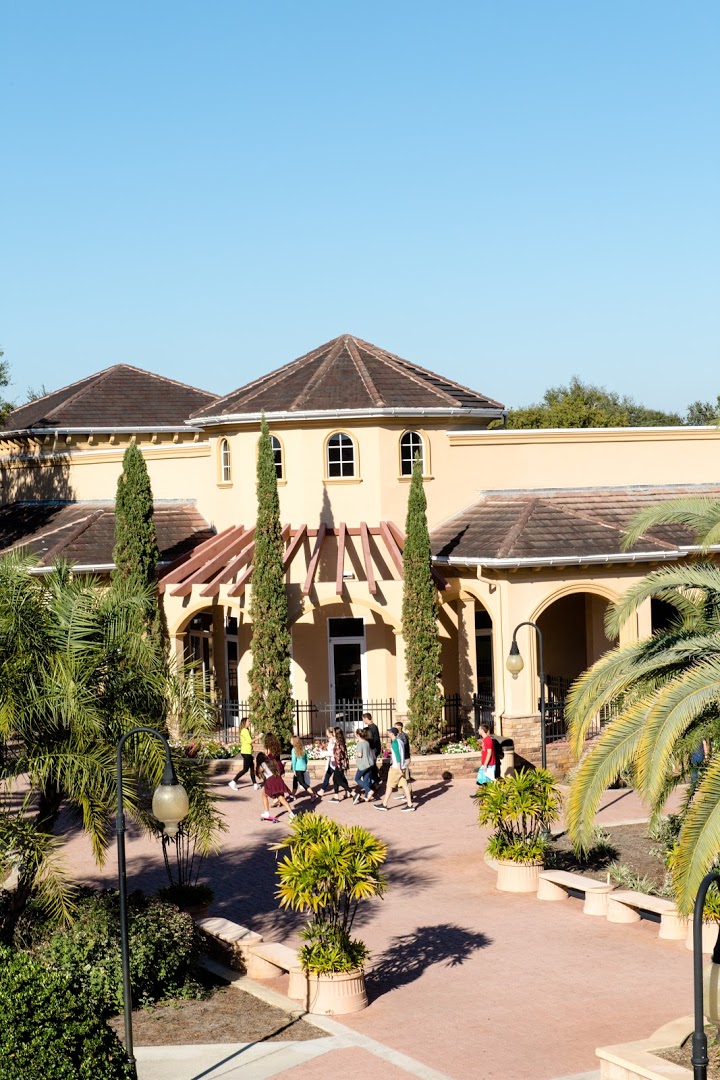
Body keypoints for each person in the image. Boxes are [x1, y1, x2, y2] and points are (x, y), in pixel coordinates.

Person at [376, 726, 415, 811]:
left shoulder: (394, 743)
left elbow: (397, 756)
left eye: (389, 732)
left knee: (389, 786)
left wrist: (398, 768)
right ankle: (410, 804)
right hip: (403, 767)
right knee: (404, 785)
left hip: (396, 768)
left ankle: (384, 804)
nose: (388, 733)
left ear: (392, 733)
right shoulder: (400, 741)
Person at [256, 750, 295, 822]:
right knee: (281, 797)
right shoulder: (271, 761)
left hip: (270, 780)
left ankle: (266, 812)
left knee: (264, 795)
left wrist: (256, 765)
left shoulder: (262, 764)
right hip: (277, 778)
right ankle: (291, 814)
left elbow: (259, 772)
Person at [228, 717, 260, 791]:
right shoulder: (245, 730)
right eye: (248, 721)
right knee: (245, 769)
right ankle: (233, 782)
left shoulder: (245, 730)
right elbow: (250, 741)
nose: (250, 723)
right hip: (246, 752)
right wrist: (258, 737)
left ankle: (255, 784)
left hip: (247, 751)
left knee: (252, 768)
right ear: (244, 723)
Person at [290, 735, 318, 799]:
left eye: (291, 740)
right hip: (303, 767)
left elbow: (294, 761)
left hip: (297, 768)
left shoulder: (293, 750)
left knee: (302, 782)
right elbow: (306, 758)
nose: (290, 742)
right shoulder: (303, 748)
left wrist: (294, 770)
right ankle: (293, 794)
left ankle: (312, 794)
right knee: (295, 781)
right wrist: (304, 764)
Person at [352, 727, 375, 804]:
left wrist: (355, 754)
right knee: (366, 779)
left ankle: (369, 790)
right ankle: (367, 796)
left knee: (357, 778)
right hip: (369, 763)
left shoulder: (359, 744)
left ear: (358, 735)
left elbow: (360, 754)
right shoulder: (366, 742)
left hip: (362, 764)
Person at [330, 726, 351, 801]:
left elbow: (338, 755)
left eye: (333, 732)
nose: (333, 733)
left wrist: (332, 755)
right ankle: (337, 795)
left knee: (339, 780)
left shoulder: (338, 743)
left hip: (339, 764)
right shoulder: (341, 741)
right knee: (337, 779)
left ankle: (353, 792)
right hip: (342, 764)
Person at [393, 720, 412, 800]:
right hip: (405, 758)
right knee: (402, 777)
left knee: (405, 778)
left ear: (399, 727)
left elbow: (401, 748)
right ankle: (402, 793)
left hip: (405, 759)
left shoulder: (401, 736)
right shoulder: (403, 735)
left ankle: (408, 795)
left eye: (395, 727)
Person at [362, 712, 382, 786]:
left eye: (363, 719)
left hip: (373, 749)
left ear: (366, 718)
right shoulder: (373, 726)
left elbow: (372, 739)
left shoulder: (371, 728)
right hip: (374, 748)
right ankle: (375, 781)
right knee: (373, 767)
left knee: (372, 767)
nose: (363, 721)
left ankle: (375, 782)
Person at [318, 727, 336, 795]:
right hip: (331, 761)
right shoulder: (331, 740)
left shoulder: (334, 741)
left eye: (327, 732)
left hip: (334, 761)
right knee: (327, 775)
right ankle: (322, 790)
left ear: (330, 733)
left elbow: (333, 752)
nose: (326, 734)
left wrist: (325, 753)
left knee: (340, 779)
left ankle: (350, 791)